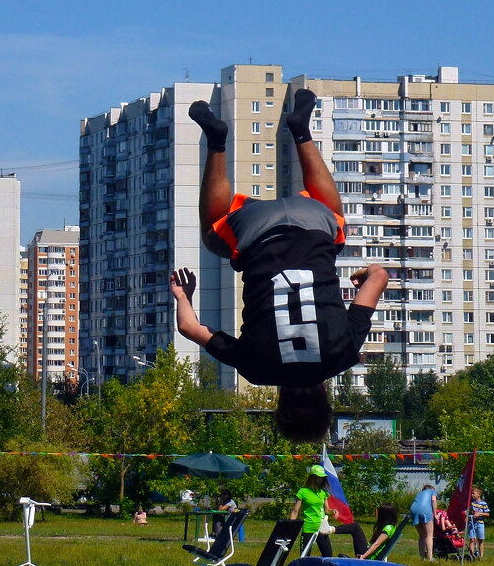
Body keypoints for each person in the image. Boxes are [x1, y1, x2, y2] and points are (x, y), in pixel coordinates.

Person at [175, 90, 389, 443]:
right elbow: (189, 327)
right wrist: (184, 295)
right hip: (256, 231)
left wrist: (366, 274)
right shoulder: (257, 368)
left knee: (334, 216)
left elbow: (380, 276)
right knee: (213, 232)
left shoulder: (344, 353)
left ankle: (301, 132)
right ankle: (216, 142)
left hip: (312, 223)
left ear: (325, 400)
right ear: (281, 405)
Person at [290, 465, 339, 557]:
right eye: (318, 477)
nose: (320, 480)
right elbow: (295, 511)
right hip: (308, 528)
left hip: (322, 528)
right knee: (305, 557)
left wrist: (333, 511)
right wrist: (291, 527)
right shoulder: (303, 492)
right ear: (312, 477)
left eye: (322, 478)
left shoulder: (323, 492)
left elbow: (327, 510)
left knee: (328, 555)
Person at [410, 484, 438, 561]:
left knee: (422, 536)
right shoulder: (432, 491)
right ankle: (430, 558)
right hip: (425, 510)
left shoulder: (419, 493)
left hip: (413, 510)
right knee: (429, 536)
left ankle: (422, 557)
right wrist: (435, 514)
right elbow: (433, 500)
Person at [468, 485, 490, 558]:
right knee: (472, 539)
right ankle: (471, 555)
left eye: (473, 493)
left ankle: (481, 556)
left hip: (480, 523)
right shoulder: (471, 503)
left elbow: (487, 514)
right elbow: (469, 511)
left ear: (479, 495)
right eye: (472, 493)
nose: (472, 495)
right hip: (472, 523)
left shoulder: (483, 504)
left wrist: (479, 513)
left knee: (480, 540)